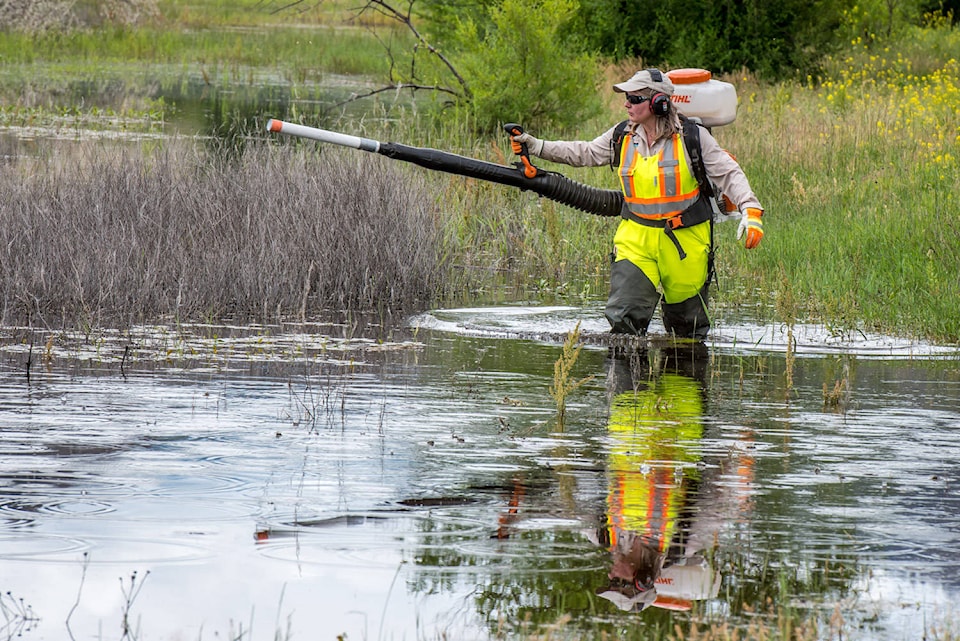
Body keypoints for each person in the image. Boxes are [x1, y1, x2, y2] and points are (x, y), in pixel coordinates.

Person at [510, 68, 764, 340]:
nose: (626, 104)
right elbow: (584, 152)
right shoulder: (623, 135)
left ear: (659, 102)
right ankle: (626, 379)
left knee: (687, 333)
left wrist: (750, 210)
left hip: (685, 243)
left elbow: (729, 173)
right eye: (626, 97)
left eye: (634, 98)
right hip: (636, 240)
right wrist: (537, 146)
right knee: (624, 327)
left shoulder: (693, 137)